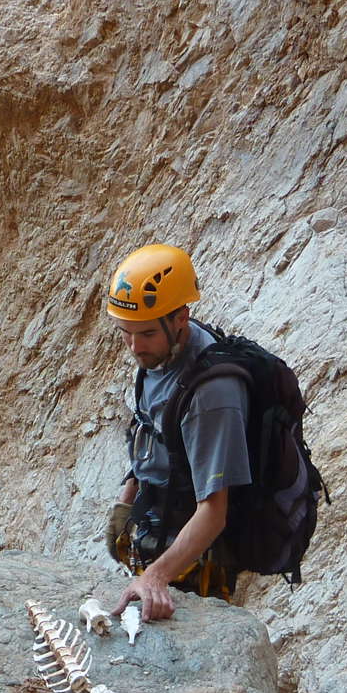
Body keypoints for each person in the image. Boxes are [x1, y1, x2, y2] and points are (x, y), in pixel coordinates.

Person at [103, 243, 252, 621]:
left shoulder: (212, 395)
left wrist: (155, 577)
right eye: (125, 333)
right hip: (156, 529)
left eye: (146, 334)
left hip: (195, 560)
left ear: (181, 317)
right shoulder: (160, 349)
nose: (135, 347)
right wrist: (125, 506)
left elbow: (213, 513)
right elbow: (150, 428)